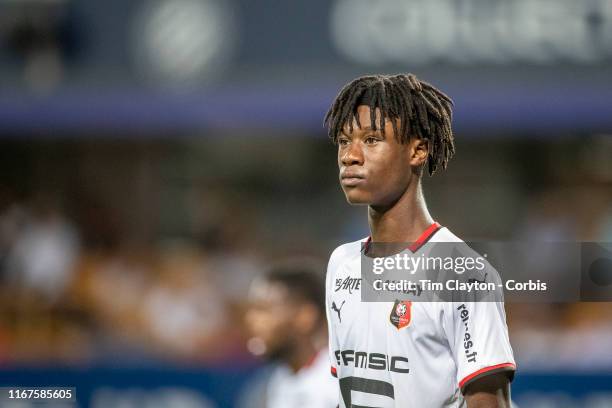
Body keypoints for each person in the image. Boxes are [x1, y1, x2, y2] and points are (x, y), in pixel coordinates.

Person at [323, 74, 516, 407]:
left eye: (371, 140)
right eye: (343, 141)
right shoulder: (341, 264)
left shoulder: (463, 273)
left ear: (418, 150)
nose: (349, 156)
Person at [243, 260, 338, 408]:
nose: (251, 319)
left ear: (305, 316)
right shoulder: (279, 379)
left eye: (265, 310)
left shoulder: (338, 381)